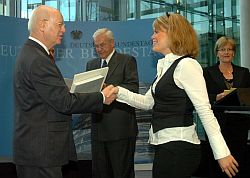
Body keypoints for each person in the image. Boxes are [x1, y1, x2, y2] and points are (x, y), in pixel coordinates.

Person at [110, 13, 239, 178]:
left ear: (174, 33)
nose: (152, 36)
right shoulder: (165, 66)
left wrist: (222, 153)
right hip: (166, 146)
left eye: (157, 32)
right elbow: (148, 102)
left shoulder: (187, 65)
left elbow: (204, 111)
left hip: (179, 148)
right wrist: (117, 91)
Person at [13, 5, 117, 178]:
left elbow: (47, 97)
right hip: (41, 153)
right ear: (42, 25)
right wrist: (100, 97)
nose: (64, 29)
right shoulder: (38, 59)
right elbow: (64, 102)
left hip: (37, 152)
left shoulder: (33, 54)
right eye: (60, 24)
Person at [85, 28, 139, 178]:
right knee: (100, 173)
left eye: (102, 45)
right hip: (97, 130)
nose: (99, 49)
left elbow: (133, 88)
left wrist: (110, 88)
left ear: (112, 43)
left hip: (120, 130)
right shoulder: (91, 64)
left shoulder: (126, 60)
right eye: (96, 46)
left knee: (121, 173)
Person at [203, 36, 250, 177]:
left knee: (238, 159)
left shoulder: (244, 72)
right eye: (222, 49)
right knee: (217, 160)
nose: (226, 52)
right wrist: (216, 97)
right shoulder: (207, 72)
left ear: (234, 53)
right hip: (216, 123)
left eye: (229, 49)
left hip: (239, 124)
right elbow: (202, 96)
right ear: (216, 53)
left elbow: (248, 95)